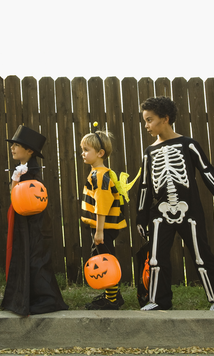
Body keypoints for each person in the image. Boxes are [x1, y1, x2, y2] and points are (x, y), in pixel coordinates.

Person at [135, 96, 214, 311]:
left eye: (150, 120)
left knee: (202, 255)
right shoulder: (149, 152)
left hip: (189, 210)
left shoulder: (188, 144)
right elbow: (144, 186)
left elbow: (208, 172)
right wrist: (141, 216)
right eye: (145, 121)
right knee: (156, 258)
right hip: (160, 212)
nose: (146, 125)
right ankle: (159, 301)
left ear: (165, 118)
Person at [1, 125, 69, 316]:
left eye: (16, 145)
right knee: (27, 258)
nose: (12, 148)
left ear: (29, 150)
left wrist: (17, 180)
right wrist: (15, 179)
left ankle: (47, 300)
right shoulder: (22, 170)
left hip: (35, 223)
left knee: (36, 261)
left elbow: (28, 198)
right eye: (12, 145)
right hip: (25, 222)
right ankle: (29, 298)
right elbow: (14, 197)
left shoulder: (32, 172)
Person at [79, 128, 133, 310]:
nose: (83, 153)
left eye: (86, 150)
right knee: (105, 258)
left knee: (104, 261)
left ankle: (112, 300)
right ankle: (113, 295)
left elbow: (102, 205)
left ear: (100, 153)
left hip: (104, 227)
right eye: (82, 149)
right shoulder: (100, 172)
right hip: (104, 227)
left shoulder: (100, 175)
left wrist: (99, 231)